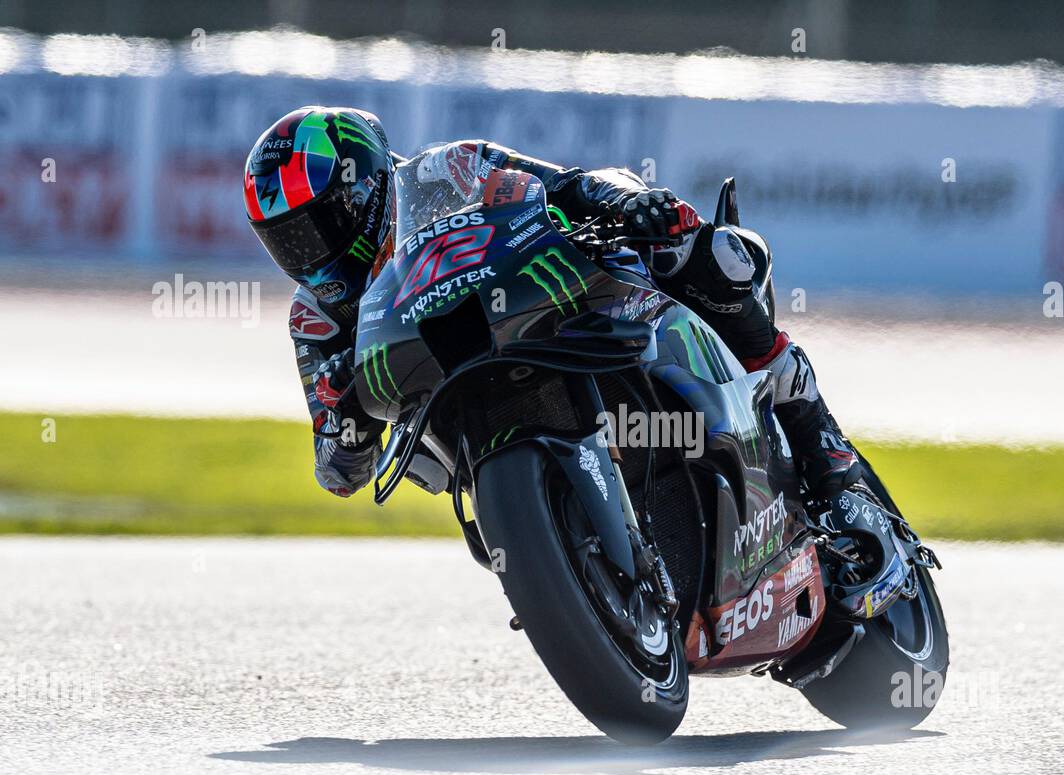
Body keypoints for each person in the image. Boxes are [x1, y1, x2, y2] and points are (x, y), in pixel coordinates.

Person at [244, 106, 866, 499]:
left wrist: (627, 207)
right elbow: (336, 469)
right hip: (466, 429)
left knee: (709, 255)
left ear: (365, 185)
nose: (307, 252)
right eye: (286, 241)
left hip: (543, 306)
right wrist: (346, 418)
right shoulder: (315, 318)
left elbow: (562, 184)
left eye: (314, 226)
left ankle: (822, 443)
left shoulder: (445, 172)